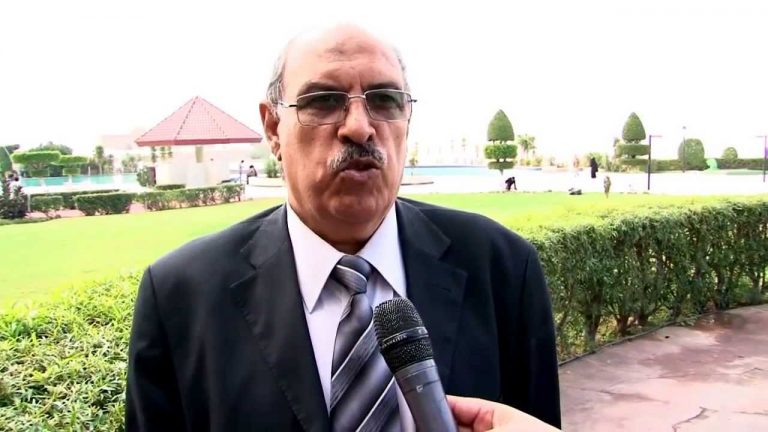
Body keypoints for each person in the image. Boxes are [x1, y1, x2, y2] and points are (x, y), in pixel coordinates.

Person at [126, 23, 560, 431]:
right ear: (273, 128)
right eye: (324, 100)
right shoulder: (181, 296)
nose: (359, 127)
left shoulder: (502, 268)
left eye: (384, 99)